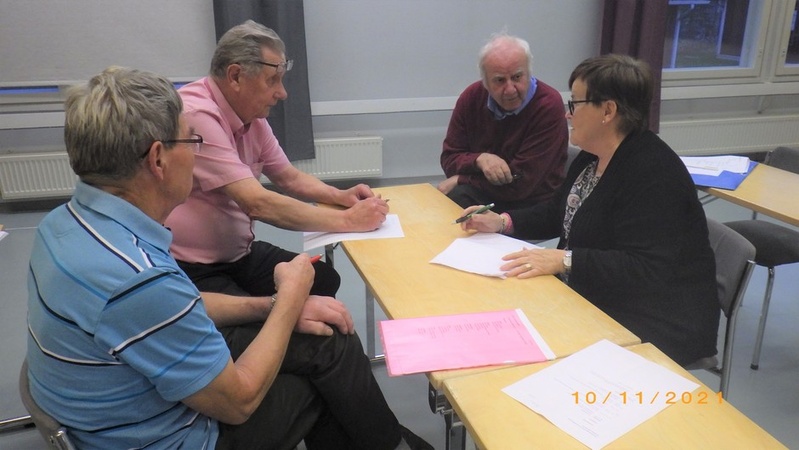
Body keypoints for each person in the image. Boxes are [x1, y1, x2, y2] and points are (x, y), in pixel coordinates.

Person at [25, 66, 430, 450]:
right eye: (190, 141)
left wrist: (269, 305)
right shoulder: (138, 279)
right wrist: (290, 298)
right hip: (174, 438)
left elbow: (183, 305)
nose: (196, 154)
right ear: (158, 159)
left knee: (321, 352)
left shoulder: (63, 225)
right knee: (329, 355)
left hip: (106, 418)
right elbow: (239, 402)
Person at [459, 54, 719, 366]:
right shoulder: (593, 155)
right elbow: (559, 212)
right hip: (597, 294)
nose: (568, 114)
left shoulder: (654, 173)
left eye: (576, 103)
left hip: (657, 319)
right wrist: (502, 222)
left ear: (608, 111)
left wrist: (564, 260)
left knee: (517, 346)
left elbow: (645, 267)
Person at [165, 19, 389, 302]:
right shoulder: (197, 115)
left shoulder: (250, 114)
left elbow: (289, 177)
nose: (282, 93)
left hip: (238, 255)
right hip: (192, 267)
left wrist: (340, 195)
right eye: (272, 80)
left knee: (323, 279)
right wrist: (349, 220)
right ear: (235, 76)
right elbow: (257, 203)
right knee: (259, 319)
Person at [438, 31, 569, 212]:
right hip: (487, 194)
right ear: (485, 82)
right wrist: (479, 160)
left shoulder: (548, 105)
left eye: (517, 77)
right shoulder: (471, 97)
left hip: (533, 205)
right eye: (500, 80)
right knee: (448, 203)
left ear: (529, 73)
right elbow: (449, 159)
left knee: (459, 196)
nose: (510, 89)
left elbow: (520, 184)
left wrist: (462, 178)